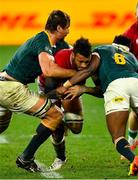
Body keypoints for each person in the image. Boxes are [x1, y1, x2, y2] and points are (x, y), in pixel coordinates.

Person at [0, 10, 77, 173]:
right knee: (55, 115)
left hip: (4, 85)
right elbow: (48, 70)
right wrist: (76, 74)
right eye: (67, 27)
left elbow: (75, 54)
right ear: (59, 28)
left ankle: (28, 158)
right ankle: (26, 158)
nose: (69, 30)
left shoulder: (57, 43)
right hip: (11, 89)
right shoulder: (42, 39)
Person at [61, 35, 138, 176]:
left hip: (115, 87)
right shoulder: (132, 57)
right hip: (135, 82)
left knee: (118, 137)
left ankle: (134, 159)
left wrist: (67, 85)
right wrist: (84, 89)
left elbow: (89, 72)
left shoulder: (100, 50)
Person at [38, 37, 93, 170]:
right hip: (50, 89)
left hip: (69, 91)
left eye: (87, 62)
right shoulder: (61, 58)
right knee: (56, 127)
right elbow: (48, 89)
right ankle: (61, 158)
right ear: (73, 55)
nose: (84, 65)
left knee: (76, 127)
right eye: (80, 61)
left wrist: (81, 89)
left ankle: (62, 121)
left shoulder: (92, 63)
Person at [122, 3, 138, 150]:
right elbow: (120, 58)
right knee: (136, 112)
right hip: (136, 76)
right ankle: (131, 143)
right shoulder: (129, 34)